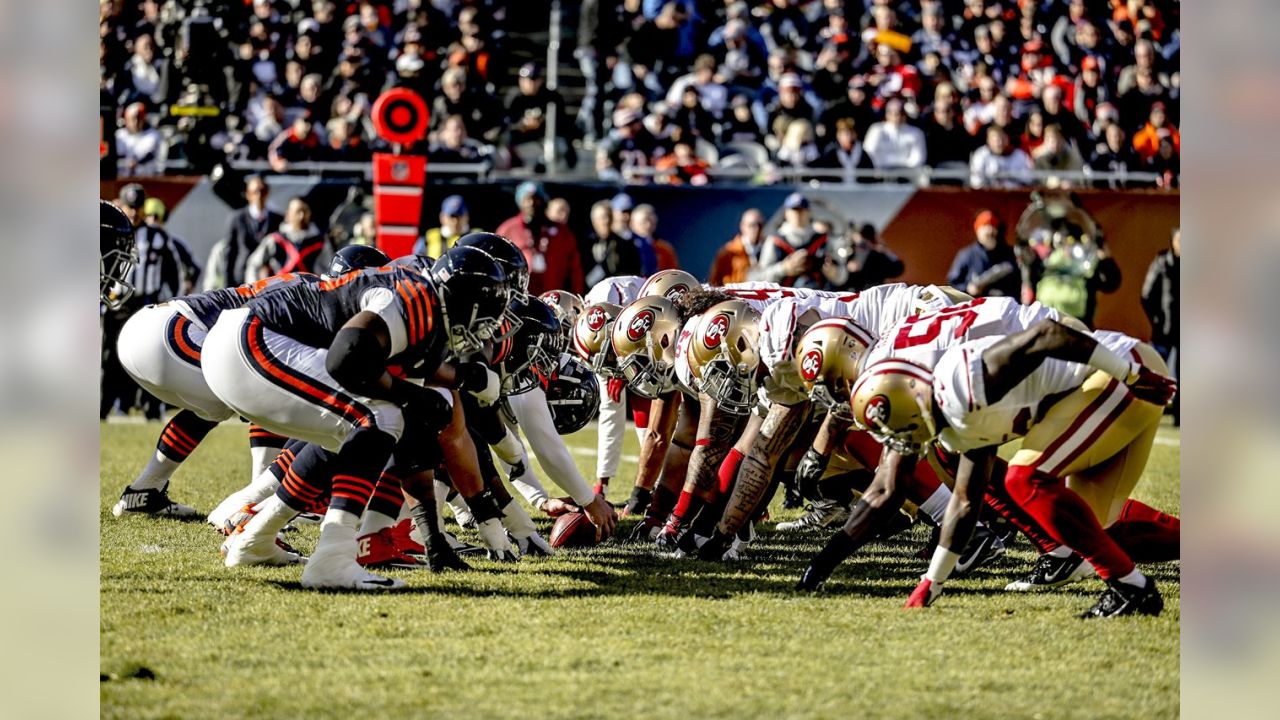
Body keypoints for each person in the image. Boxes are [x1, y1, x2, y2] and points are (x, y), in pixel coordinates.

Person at [206, 250, 514, 590]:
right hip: (251, 340)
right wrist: (413, 395)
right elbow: (346, 357)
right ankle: (333, 560)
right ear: (461, 298)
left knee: (350, 432)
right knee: (379, 416)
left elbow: (412, 444)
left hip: (241, 342)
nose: (484, 329)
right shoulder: (415, 298)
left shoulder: (424, 321)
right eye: (484, 314)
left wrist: (433, 539)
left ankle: (255, 538)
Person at [495, 181, 584, 295]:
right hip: (518, 299)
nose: (532, 203)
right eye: (527, 199)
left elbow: (575, 270)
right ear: (520, 202)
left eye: (536, 199)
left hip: (553, 300)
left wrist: (576, 297)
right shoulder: (507, 229)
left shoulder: (562, 232)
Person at [751, 192, 831, 288]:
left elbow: (841, 277)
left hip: (818, 297)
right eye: (794, 210)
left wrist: (830, 269)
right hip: (784, 298)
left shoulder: (822, 239)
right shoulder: (775, 240)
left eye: (801, 210)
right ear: (786, 213)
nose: (798, 214)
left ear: (809, 212)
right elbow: (760, 278)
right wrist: (784, 268)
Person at [1141, 228, 1180, 426]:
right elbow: (1147, 294)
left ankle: (1180, 418)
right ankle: (1147, 412)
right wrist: (1156, 319)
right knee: (1156, 371)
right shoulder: (1162, 262)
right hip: (1163, 328)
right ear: (1172, 241)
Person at [222, 175, 282, 287]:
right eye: (255, 192)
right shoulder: (237, 218)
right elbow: (229, 253)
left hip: (269, 280)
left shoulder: (277, 220)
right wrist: (228, 285)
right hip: (241, 278)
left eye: (262, 191)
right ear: (248, 195)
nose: (259, 195)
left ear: (267, 192)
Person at [947, 211, 1022, 299]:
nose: (990, 231)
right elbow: (952, 284)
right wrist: (968, 288)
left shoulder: (1012, 253)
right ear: (977, 230)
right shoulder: (966, 255)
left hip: (1008, 306)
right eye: (985, 226)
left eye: (993, 226)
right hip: (977, 307)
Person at [862, 98, 926, 175]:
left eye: (899, 113)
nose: (896, 116)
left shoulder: (916, 133)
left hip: (908, 174)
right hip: (881, 173)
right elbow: (870, 151)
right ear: (887, 114)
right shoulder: (876, 130)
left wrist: (905, 171)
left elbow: (918, 157)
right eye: (892, 113)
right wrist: (881, 168)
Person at [837, 224, 905, 291]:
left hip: (870, 287)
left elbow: (898, 268)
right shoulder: (856, 250)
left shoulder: (876, 253)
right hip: (861, 286)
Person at [708, 209, 765, 285]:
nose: (756, 229)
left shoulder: (769, 248)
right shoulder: (728, 252)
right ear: (742, 226)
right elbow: (714, 283)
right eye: (752, 225)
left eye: (760, 225)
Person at [969, 125, 1033, 188]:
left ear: (1007, 139)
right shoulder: (980, 155)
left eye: (1002, 139)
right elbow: (976, 182)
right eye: (996, 140)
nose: (1000, 143)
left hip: (1013, 194)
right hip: (988, 194)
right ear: (988, 141)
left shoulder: (1019, 155)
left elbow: (1027, 180)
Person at [115, 102, 164, 176]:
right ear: (126, 118)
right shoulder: (118, 136)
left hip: (146, 179)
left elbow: (147, 156)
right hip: (121, 178)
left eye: (139, 118)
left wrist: (133, 162)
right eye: (133, 118)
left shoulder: (153, 135)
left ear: (144, 119)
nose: (136, 122)